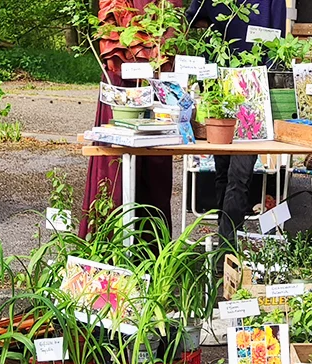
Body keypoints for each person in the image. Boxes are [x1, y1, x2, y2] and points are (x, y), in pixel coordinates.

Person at [185, 0, 286, 254]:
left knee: (239, 174)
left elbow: (278, 43)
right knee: (222, 170)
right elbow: (192, 18)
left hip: (254, 90)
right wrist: (214, 34)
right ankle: (227, 240)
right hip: (218, 87)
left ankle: (227, 251)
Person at [79, 0, 181, 238]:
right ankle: (108, 247)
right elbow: (109, 20)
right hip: (121, 79)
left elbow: (173, 23)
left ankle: (150, 254)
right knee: (114, 166)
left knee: (155, 165)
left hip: (156, 79)